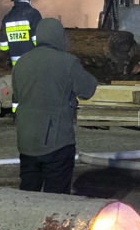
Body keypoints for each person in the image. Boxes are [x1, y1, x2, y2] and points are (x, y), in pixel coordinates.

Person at [11, 17, 97, 193]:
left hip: (27, 141)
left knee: (28, 193)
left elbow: (18, 95)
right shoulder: (67, 62)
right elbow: (88, 89)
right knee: (56, 199)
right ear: (60, 37)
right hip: (57, 141)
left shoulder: (21, 62)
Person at [0, 0, 43, 66]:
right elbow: (39, 41)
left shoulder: (7, 17)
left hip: (16, 68)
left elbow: (3, 46)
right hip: (33, 65)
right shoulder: (33, 14)